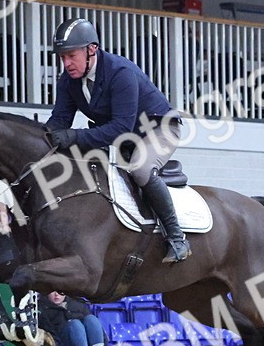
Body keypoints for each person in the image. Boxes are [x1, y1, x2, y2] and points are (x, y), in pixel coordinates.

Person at [44, 17, 191, 265]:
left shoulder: (120, 72)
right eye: (62, 57)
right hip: (124, 138)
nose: (66, 63)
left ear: (92, 49)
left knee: (140, 168)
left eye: (71, 56)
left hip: (158, 129)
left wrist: (76, 136)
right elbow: (59, 121)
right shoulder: (68, 81)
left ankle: (177, 238)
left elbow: (120, 127)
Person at [39, 291, 110, 346]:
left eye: (60, 291)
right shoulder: (42, 309)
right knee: (75, 324)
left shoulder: (76, 303)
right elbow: (50, 339)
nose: (57, 294)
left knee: (91, 318)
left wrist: (104, 345)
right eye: (52, 291)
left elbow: (96, 326)